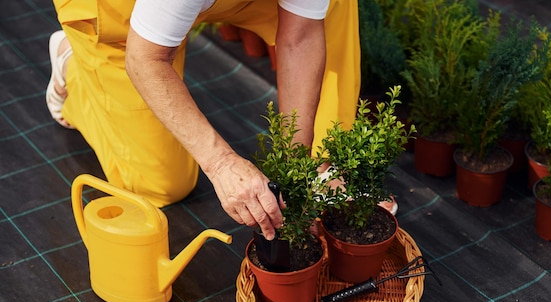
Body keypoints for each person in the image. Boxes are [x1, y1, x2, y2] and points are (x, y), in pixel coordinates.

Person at [48, 0, 361, 240]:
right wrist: (222, 163)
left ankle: (322, 167)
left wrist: (299, 171)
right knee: (162, 185)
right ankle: (72, 67)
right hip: (122, 14)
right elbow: (145, 59)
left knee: (332, 7)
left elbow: (301, 37)